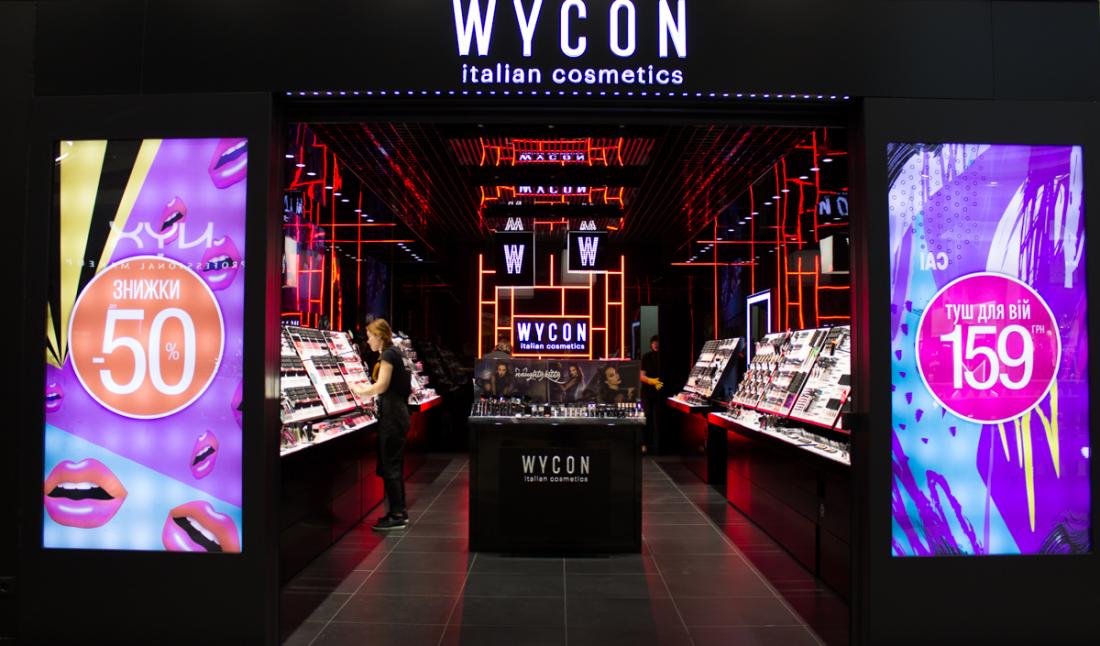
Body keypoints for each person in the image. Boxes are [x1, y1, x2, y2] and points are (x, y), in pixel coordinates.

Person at [357, 319, 413, 531]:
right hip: (398, 414)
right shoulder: (397, 353)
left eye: (370, 336)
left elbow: (381, 386)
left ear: (379, 336)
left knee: (391, 466)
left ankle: (397, 514)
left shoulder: (389, 355)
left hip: (392, 417)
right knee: (393, 465)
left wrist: (359, 391)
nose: (368, 341)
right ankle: (397, 512)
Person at [640, 335, 664, 455]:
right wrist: (652, 381)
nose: (655, 344)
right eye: (654, 342)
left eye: (657, 342)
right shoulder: (646, 357)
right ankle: (645, 444)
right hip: (647, 391)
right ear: (651, 344)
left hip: (661, 391)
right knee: (647, 416)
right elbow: (641, 376)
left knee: (660, 418)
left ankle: (660, 445)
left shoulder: (663, 357)